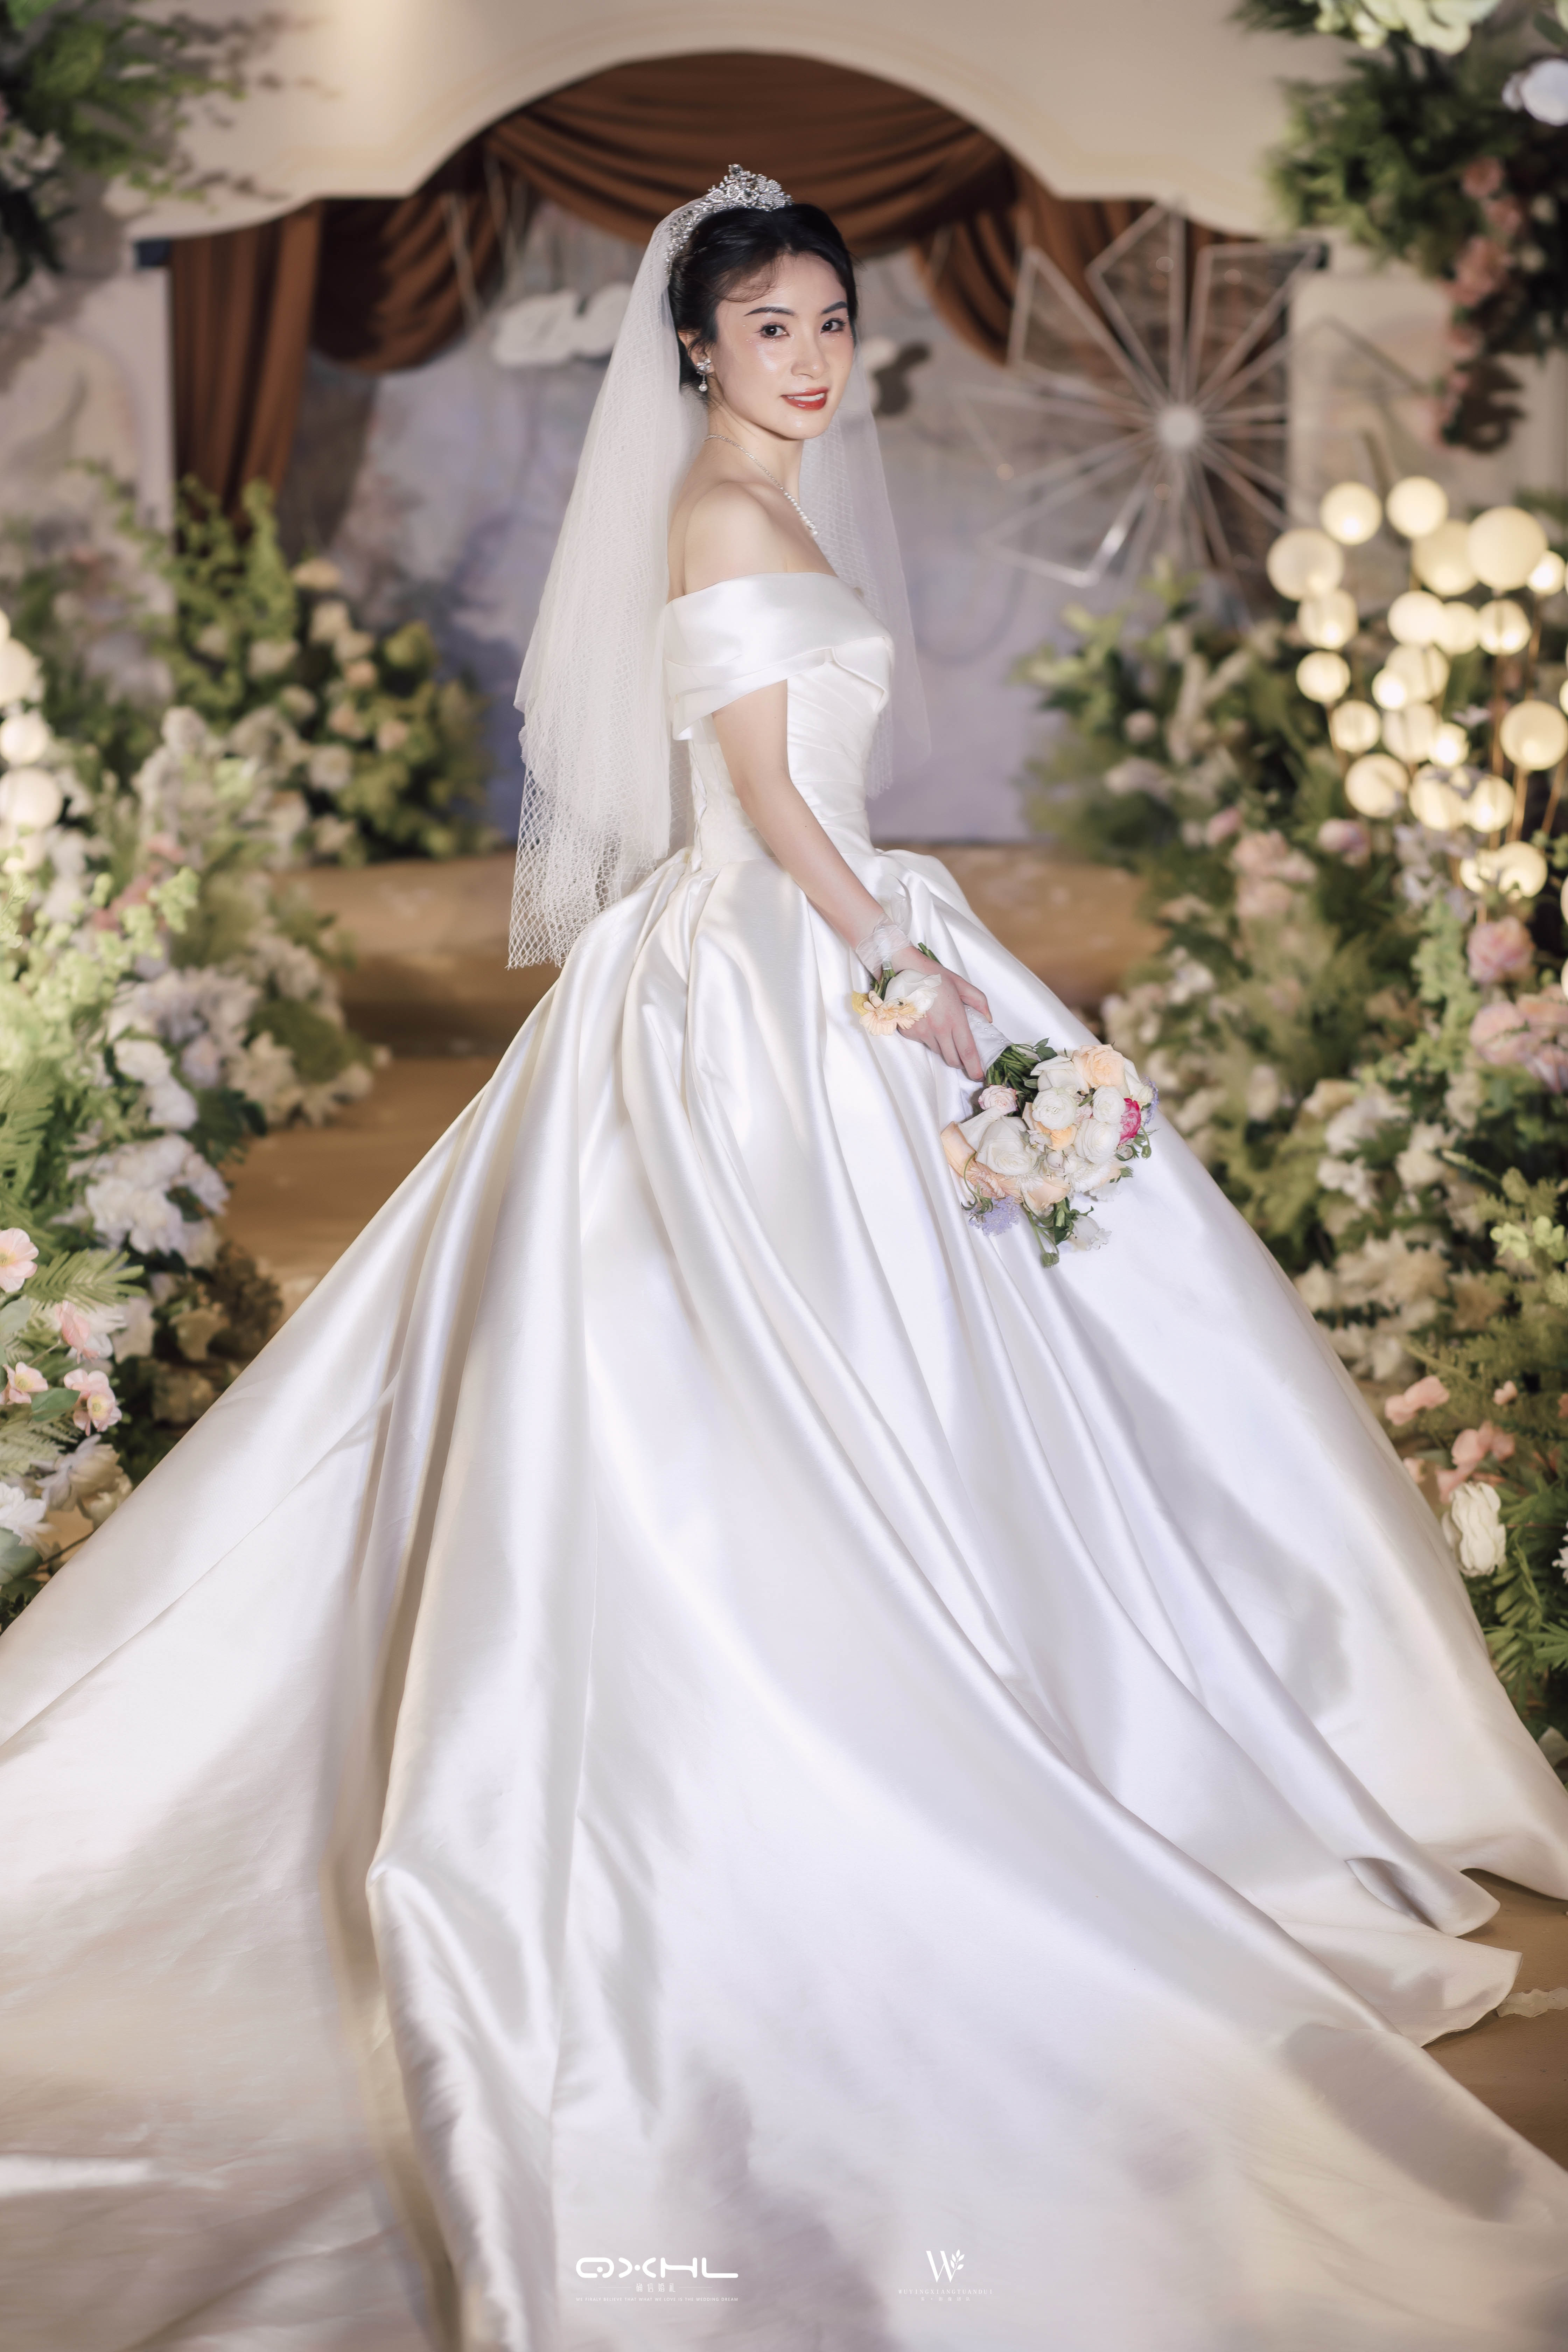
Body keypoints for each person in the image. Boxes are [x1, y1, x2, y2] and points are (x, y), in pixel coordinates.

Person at [3, 167, 1568, 2352]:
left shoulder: (775, 497)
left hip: (822, 940)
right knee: (758, 1351)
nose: (815, 358)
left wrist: (917, 957)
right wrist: (907, 978)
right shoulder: (724, 519)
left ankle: (1032, 1690)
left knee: (962, 1338)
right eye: (773, 330)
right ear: (697, 349)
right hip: (780, 965)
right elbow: (763, 791)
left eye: (834, 323)